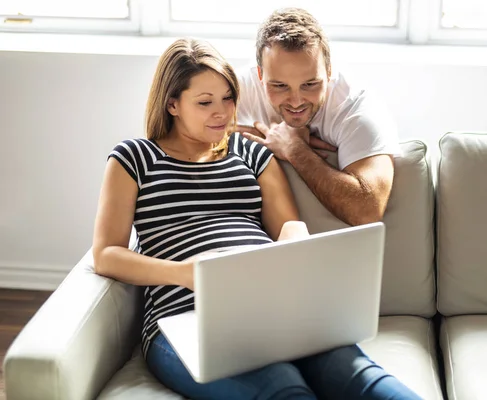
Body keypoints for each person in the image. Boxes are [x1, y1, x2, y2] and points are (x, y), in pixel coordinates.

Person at [93, 38, 421, 400]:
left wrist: (290, 250)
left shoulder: (250, 151)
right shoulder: (133, 157)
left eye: (228, 99)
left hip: (275, 311)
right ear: (173, 103)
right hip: (186, 317)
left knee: (361, 377)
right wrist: (184, 273)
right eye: (204, 103)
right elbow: (106, 252)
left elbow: (289, 224)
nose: (221, 113)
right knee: (283, 388)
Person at [236, 7, 399, 227]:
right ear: (260, 75)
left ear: (329, 72)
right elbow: (178, 132)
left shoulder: (355, 107)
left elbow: (367, 210)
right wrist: (268, 137)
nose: (296, 101)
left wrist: (294, 149)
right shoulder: (240, 87)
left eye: (310, 84)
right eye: (280, 86)